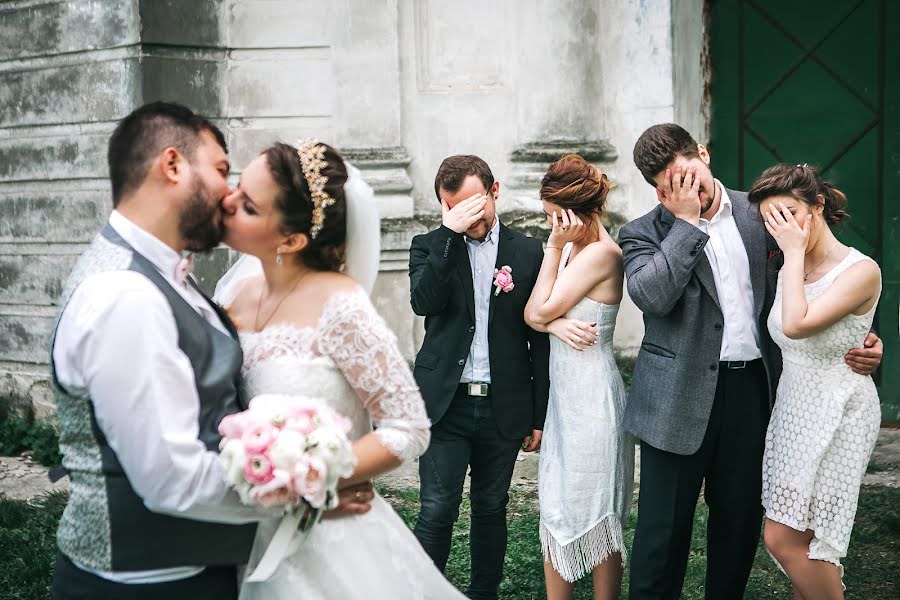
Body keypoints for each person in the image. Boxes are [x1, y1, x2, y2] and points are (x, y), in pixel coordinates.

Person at [49, 102, 370, 600]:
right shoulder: (125, 295)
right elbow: (172, 478)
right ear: (173, 165)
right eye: (222, 170)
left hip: (201, 571)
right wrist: (303, 495)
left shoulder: (169, 278)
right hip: (146, 587)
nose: (231, 193)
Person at [620, 123, 883, 599]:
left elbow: (818, 279)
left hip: (753, 393)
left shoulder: (761, 212)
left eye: (690, 176)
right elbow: (652, 297)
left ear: (702, 153)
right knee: (661, 535)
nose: (686, 191)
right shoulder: (641, 232)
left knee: (737, 526)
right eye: (669, 187)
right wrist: (686, 224)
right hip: (674, 397)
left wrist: (862, 333)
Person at [212, 140, 466, 599]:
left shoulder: (340, 305)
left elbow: (408, 427)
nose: (227, 202)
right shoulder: (232, 297)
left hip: (331, 544)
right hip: (243, 534)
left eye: (248, 206)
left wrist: (314, 481)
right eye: (237, 187)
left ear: (290, 240)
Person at [408, 155, 550, 599]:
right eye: (454, 209)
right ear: (443, 208)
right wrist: (450, 235)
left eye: (476, 204)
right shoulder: (429, 245)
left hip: (502, 405)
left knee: (491, 509)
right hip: (443, 406)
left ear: (495, 191)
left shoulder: (527, 252)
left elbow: (538, 341)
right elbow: (424, 302)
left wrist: (539, 413)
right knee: (436, 509)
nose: (469, 216)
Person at [749, 164, 882, 599]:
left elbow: (795, 325)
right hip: (794, 411)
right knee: (796, 537)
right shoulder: (791, 266)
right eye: (772, 220)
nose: (781, 228)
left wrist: (789, 252)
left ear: (818, 204)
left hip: (839, 411)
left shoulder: (860, 271)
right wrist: (792, 256)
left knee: (788, 539)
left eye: (789, 213)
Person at [524, 155, 634, 600]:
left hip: (592, 400)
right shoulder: (570, 247)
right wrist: (552, 324)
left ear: (580, 212)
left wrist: (547, 317)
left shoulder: (602, 254)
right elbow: (537, 316)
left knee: (595, 507)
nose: (551, 224)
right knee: (558, 500)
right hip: (565, 398)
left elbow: (536, 310)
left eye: (555, 215)